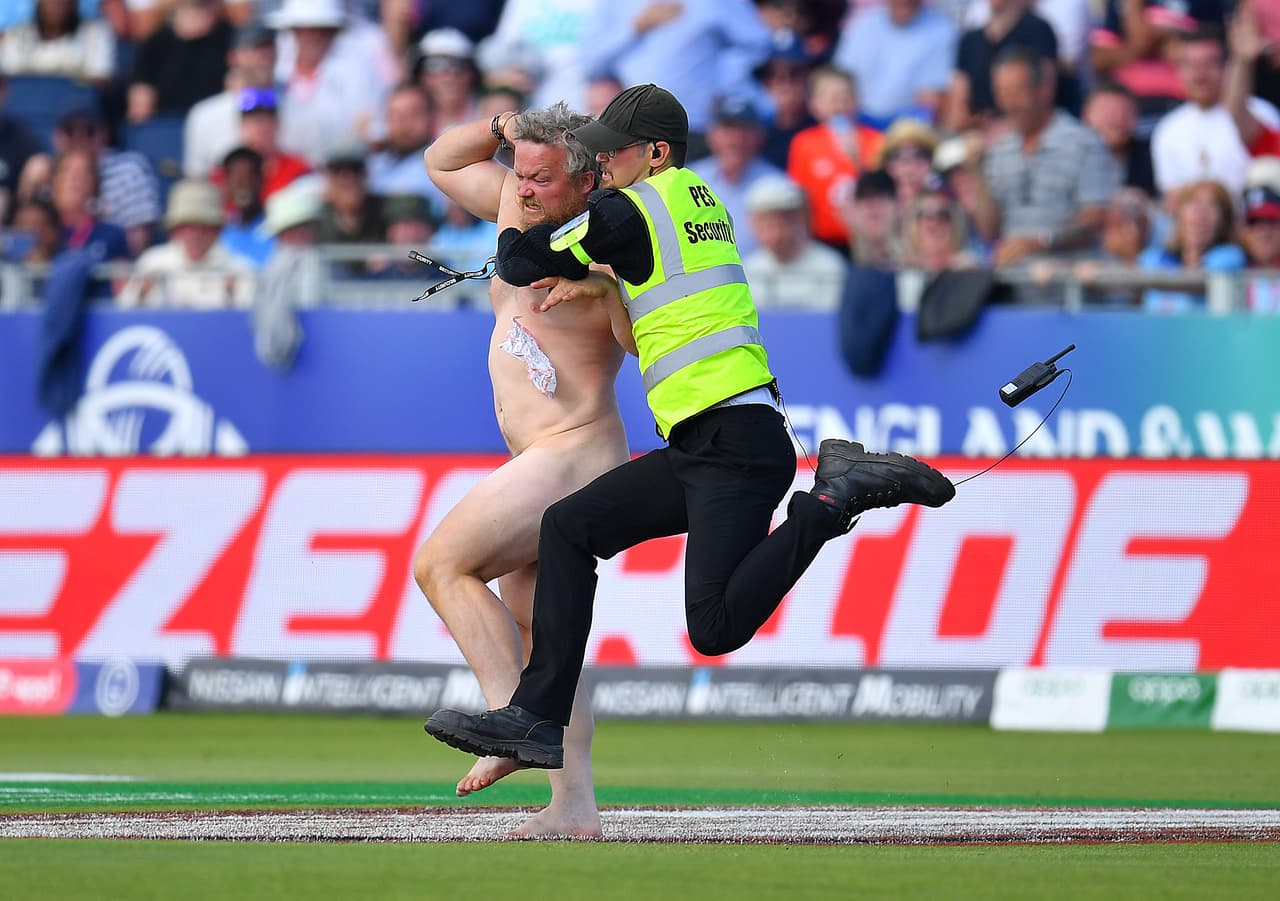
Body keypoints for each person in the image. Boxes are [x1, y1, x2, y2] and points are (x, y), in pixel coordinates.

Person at [423, 83, 955, 772]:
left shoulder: (631, 208)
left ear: (657, 151)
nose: (605, 161)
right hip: (712, 437)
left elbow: (523, 262)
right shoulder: (697, 196)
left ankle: (831, 502)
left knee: (714, 627)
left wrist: (515, 218)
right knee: (567, 527)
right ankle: (537, 717)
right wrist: (597, 273)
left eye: (615, 151)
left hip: (731, 440)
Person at [414, 101, 633, 838]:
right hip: (541, 454)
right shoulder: (517, 197)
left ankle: (515, 721)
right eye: (523, 172)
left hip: (576, 449)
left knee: (443, 562)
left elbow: (642, 345)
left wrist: (608, 290)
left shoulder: (603, 237)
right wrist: (502, 126)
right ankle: (573, 807)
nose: (525, 186)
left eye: (542, 177)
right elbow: (440, 161)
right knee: (544, 633)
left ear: (583, 181)